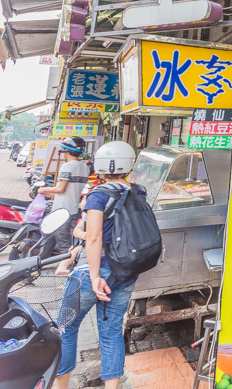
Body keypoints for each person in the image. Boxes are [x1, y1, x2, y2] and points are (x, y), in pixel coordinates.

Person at [56, 141, 139, 389]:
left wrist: (94, 276)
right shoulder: (138, 191)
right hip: (124, 271)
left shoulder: (99, 194)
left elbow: (93, 237)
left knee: (67, 327)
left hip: (93, 270)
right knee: (111, 332)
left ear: (100, 167)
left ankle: (60, 386)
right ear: (129, 165)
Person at [37, 137, 89, 254]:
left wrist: (42, 189)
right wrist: (51, 193)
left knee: (64, 244)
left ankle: (68, 267)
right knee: (48, 237)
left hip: (62, 212)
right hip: (74, 209)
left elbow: (61, 188)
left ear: (66, 151)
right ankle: (39, 261)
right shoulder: (84, 168)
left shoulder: (67, 166)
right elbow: (71, 190)